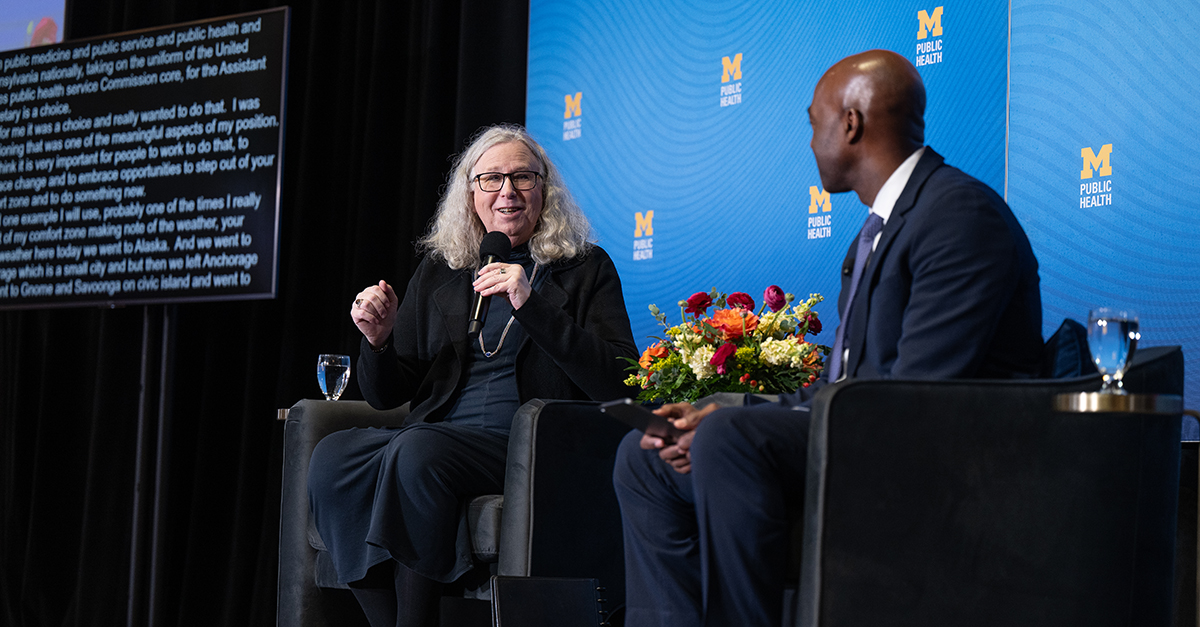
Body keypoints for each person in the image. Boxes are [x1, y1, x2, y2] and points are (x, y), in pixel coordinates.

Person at [613, 50, 1043, 626]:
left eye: (814, 123)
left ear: (851, 124)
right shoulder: (878, 231)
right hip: (860, 434)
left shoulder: (959, 216)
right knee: (643, 459)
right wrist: (713, 409)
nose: (811, 143)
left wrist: (725, 426)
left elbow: (916, 397)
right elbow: (838, 389)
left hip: (936, 460)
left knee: (728, 442)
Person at [308, 124, 638, 627]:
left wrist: (533, 306)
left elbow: (618, 378)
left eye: (523, 178)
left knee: (417, 450)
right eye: (491, 179)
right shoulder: (445, 270)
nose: (507, 191)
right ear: (471, 194)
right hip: (440, 435)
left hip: (528, 441)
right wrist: (378, 341)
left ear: (543, 190)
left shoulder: (583, 268)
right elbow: (390, 394)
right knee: (333, 457)